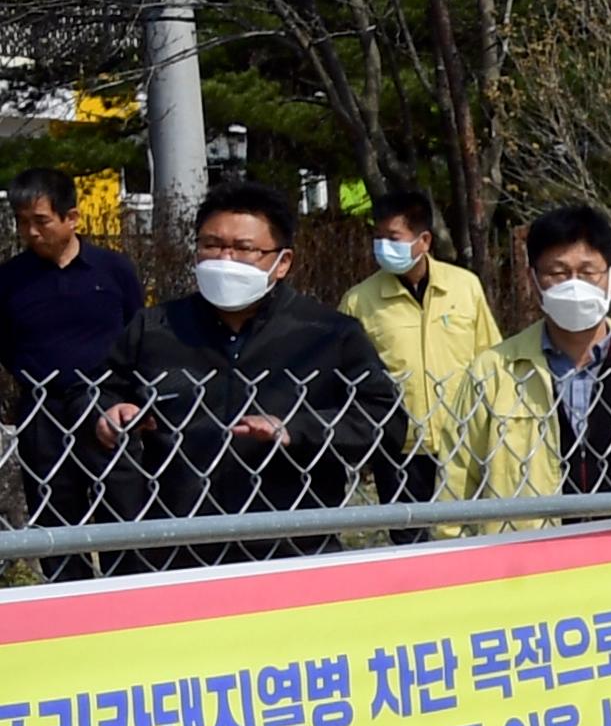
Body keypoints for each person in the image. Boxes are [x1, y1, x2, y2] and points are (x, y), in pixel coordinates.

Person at [97, 177, 405, 573]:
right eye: (211, 245)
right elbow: (99, 389)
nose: (224, 260)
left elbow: (386, 419)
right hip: (174, 550)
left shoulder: (327, 334)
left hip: (294, 548)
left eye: (244, 249)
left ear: (283, 262)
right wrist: (110, 409)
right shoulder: (155, 328)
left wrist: (298, 430)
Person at [438, 206, 611, 507]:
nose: (575, 285)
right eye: (558, 273)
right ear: (533, 280)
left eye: (588, 273)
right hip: (530, 549)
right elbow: (455, 480)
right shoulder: (492, 373)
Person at [0, 169, 147, 579]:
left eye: (41, 221)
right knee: (55, 517)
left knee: (123, 510)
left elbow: (138, 333)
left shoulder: (113, 270)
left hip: (106, 403)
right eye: (21, 221)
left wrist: (129, 398)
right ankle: (70, 605)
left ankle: (130, 598)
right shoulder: (9, 281)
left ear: (72, 218)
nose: (30, 232)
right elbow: (7, 345)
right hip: (42, 409)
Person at [342, 181, 499, 494]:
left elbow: (490, 355)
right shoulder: (359, 301)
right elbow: (347, 374)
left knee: (464, 534)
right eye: (378, 237)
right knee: (408, 538)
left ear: (424, 240)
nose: (383, 246)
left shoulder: (464, 287)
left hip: (462, 436)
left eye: (393, 238)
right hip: (398, 446)